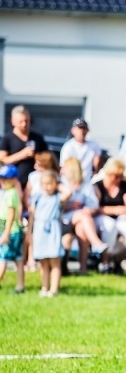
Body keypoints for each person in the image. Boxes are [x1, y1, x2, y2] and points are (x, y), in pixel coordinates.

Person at [93, 157, 126, 278]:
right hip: (102, 218)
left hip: (121, 218)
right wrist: (115, 209)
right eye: (116, 176)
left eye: (120, 176)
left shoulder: (124, 186)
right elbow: (95, 208)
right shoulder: (98, 186)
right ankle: (105, 261)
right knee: (109, 226)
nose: (119, 179)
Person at [60, 158, 107, 273]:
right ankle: (96, 244)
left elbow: (93, 204)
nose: (61, 170)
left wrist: (88, 210)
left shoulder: (85, 185)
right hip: (64, 218)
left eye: (64, 167)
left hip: (80, 219)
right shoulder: (61, 183)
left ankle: (83, 268)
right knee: (83, 216)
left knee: (81, 228)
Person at [31, 170, 69, 297]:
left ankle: (54, 289)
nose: (47, 186)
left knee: (54, 261)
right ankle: (44, 286)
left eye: (50, 183)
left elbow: (68, 192)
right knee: (43, 262)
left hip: (52, 230)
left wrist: (58, 184)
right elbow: (32, 214)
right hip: (40, 230)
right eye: (44, 183)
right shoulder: (38, 197)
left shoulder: (57, 198)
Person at [0, 105, 48, 190]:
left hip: (36, 186)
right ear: (13, 121)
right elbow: (2, 161)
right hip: (14, 186)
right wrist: (22, 155)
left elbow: (48, 158)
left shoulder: (37, 138)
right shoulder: (7, 139)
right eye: (21, 121)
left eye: (26, 121)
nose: (24, 124)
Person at [0, 164, 25, 293]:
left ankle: (20, 286)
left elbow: (11, 215)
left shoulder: (11, 194)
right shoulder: (8, 192)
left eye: (6, 179)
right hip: (8, 230)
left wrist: (6, 233)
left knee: (3, 258)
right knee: (18, 259)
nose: (2, 181)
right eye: (1, 178)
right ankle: (20, 286)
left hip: (11, 231)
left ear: (14, 179)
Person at [59, 117, 102, 183]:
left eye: (84, 128)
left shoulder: (94, 145)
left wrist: (95, 171)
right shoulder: (68, 146)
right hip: (72, 181)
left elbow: (97, 161)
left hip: (88, 181)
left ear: (87, 130)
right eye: (79, 128)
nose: (82, 131)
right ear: (73, 130)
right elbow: (64, 167)